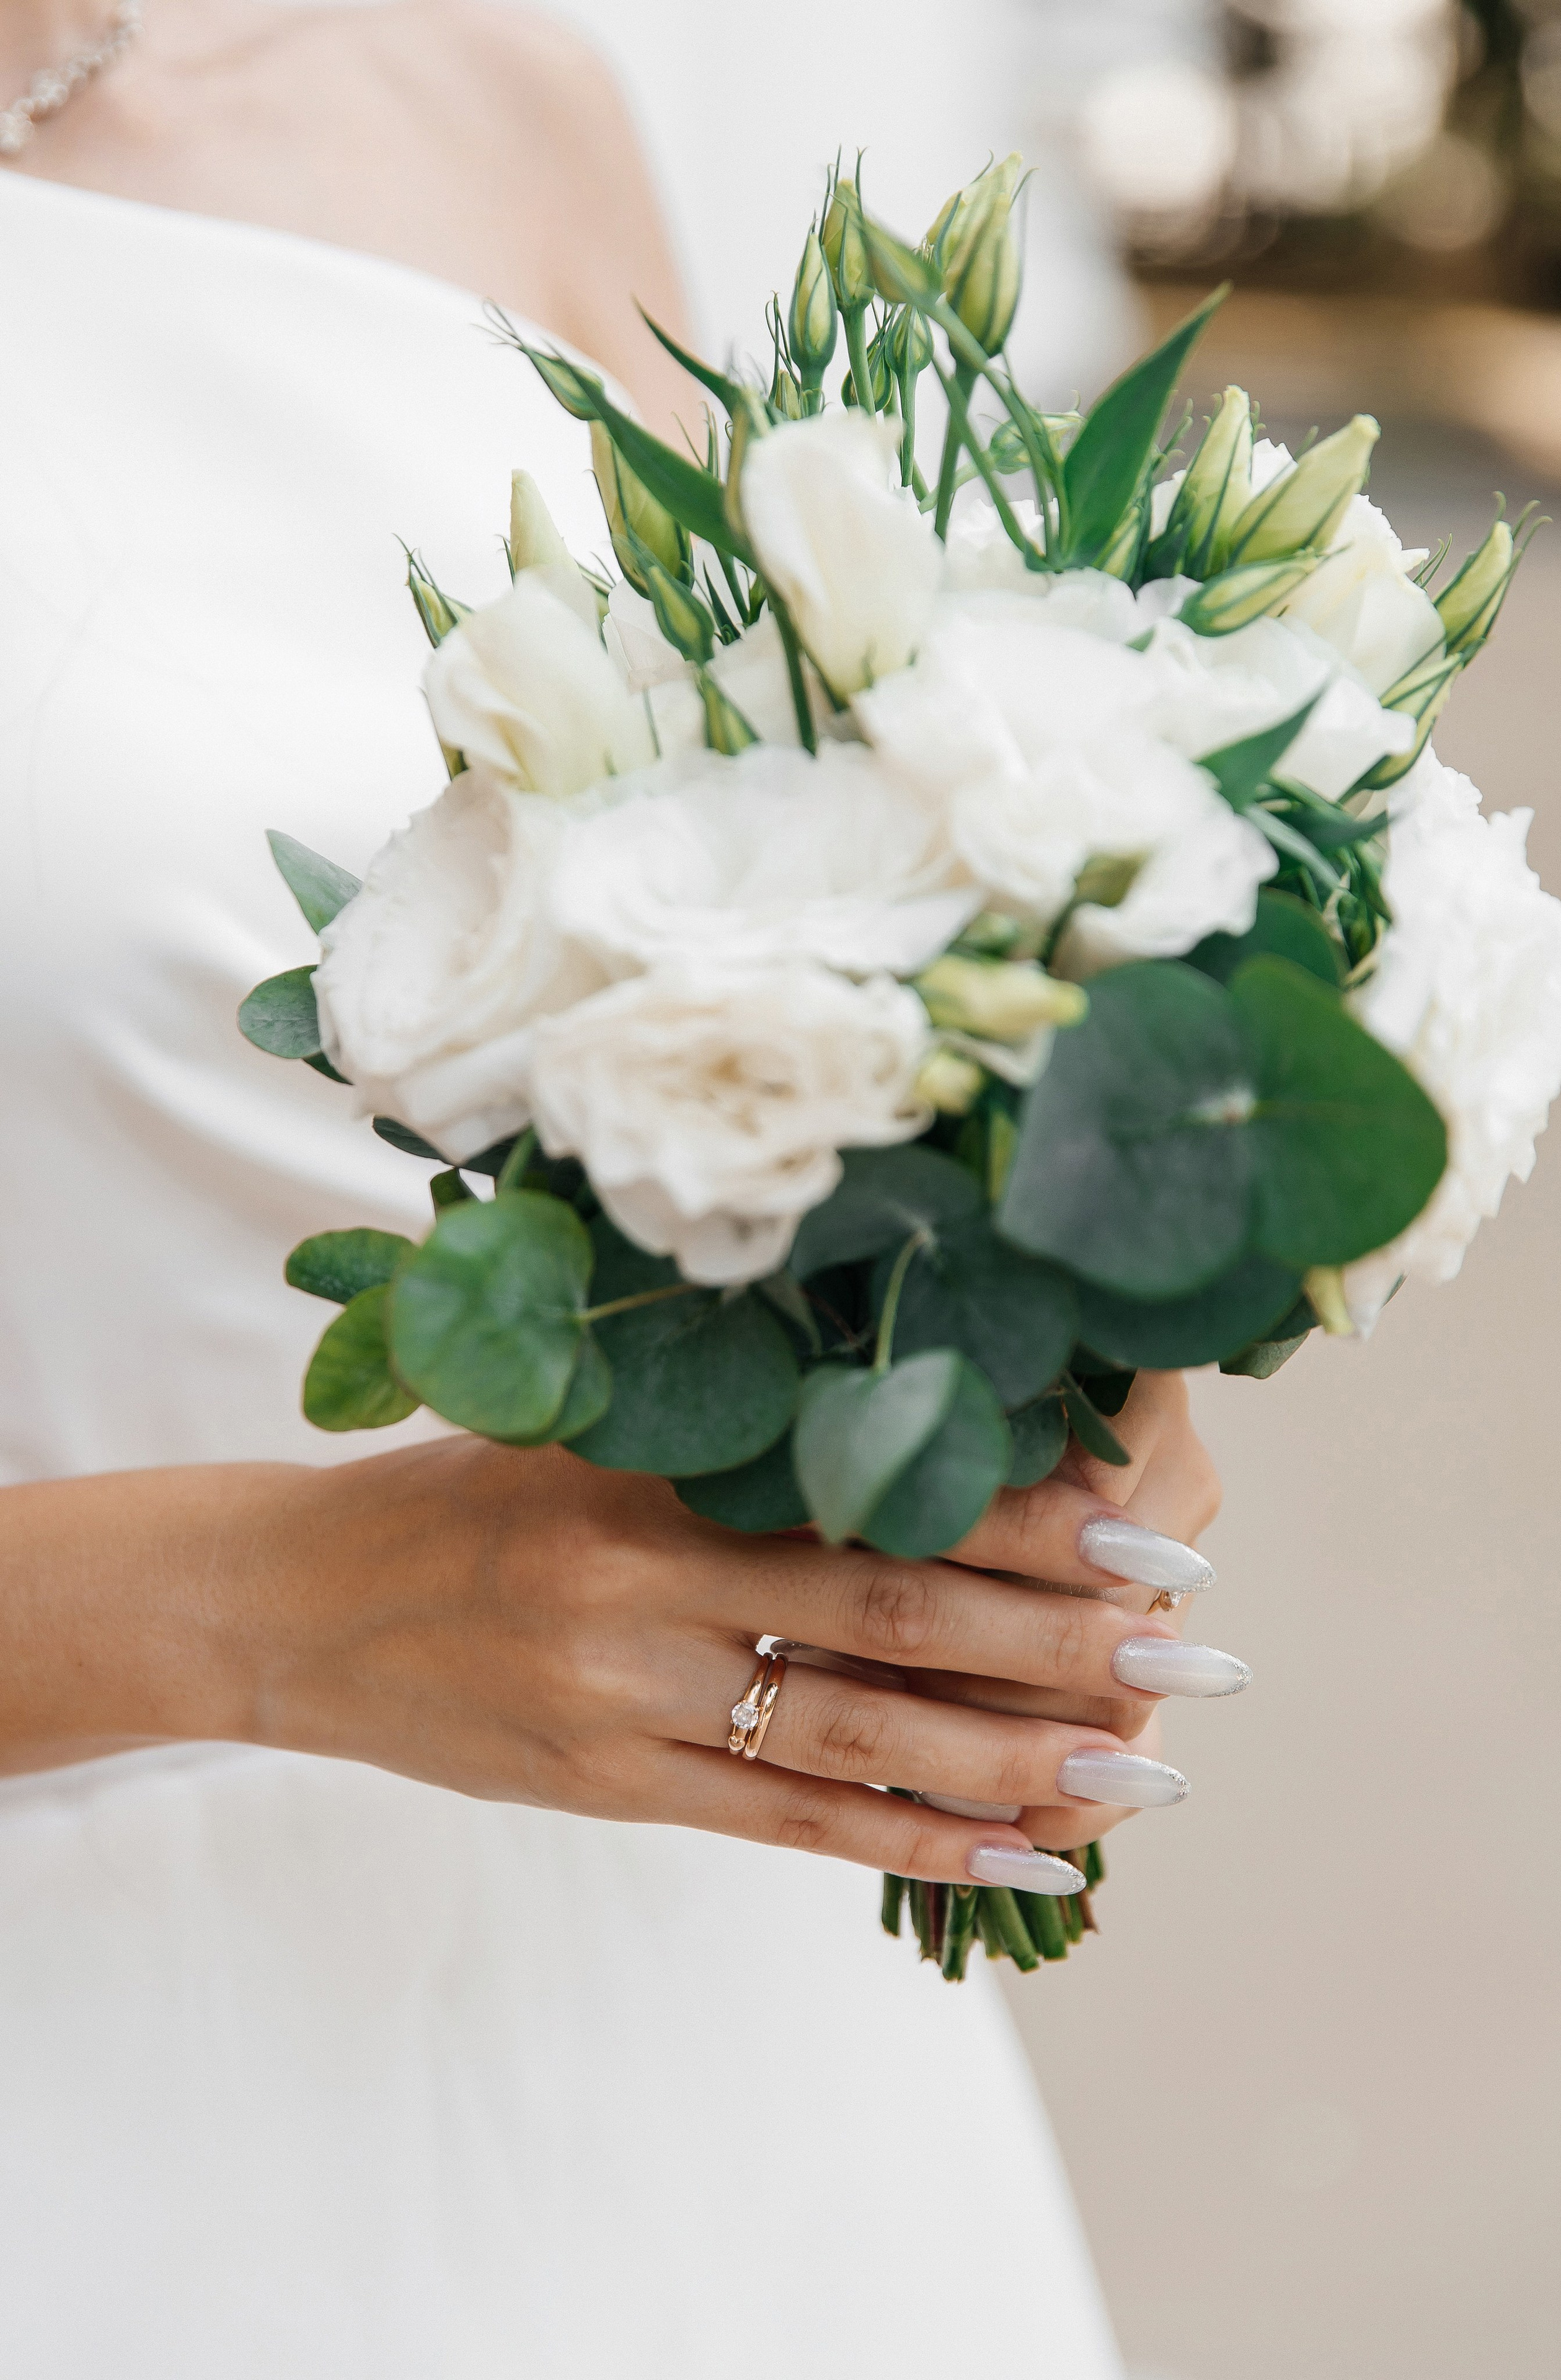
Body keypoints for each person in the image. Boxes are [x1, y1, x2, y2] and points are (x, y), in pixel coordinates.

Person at [1, 4, 1232, 2371]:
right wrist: (273, 1607)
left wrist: (1030, 1332)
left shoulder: (474, 98)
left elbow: (854, 886)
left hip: (704, 2030)